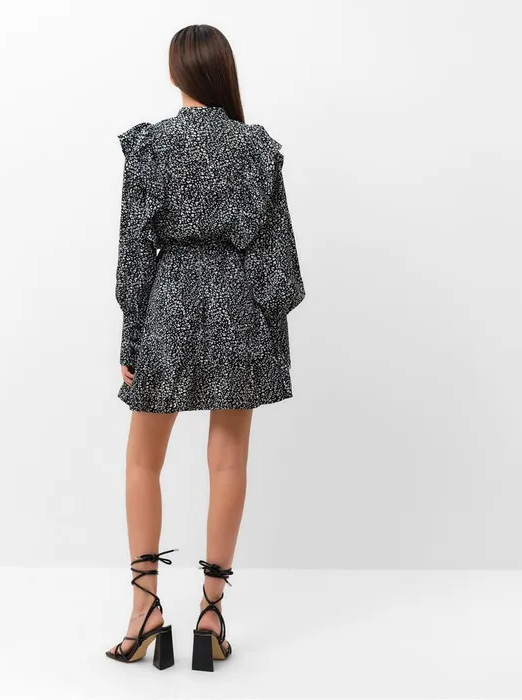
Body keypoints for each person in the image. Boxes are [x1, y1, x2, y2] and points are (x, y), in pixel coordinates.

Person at [105, 24, 306, 672]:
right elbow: (278, 263)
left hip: (167, 306)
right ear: (222, 73)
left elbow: (135, 255)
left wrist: (132, 334)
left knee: (143, 462)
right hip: (237, 308)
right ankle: (212, 614)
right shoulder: (255, 148)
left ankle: (144, 609)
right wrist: (268, 335)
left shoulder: (150, 147)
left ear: (175, 75)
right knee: (228, 462)